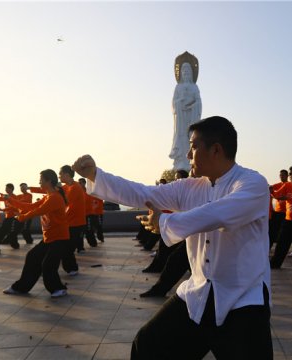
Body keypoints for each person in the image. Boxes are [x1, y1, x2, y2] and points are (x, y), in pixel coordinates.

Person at [73, 116, 272, 359]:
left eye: (194, 146)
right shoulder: (189, 187)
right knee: (148, 346)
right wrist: (96, 175)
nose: (188, 154)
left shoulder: (252, 184)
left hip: (243, 300)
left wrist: (165, 223)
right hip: (198, 294)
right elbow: (144, 193)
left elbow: (218, 214)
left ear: (216, 150)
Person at [3, 169, 70, 298]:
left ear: (48, 181)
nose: (39, 182)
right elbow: (31, 207)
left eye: (41, 180)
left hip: (60, 238)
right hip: (49, 238)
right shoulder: (48, 197)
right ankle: (21, 288)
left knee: (48, 265)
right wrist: (11, 201)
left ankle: (58, 288)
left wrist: (21, 218)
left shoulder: (55, 198)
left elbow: (37, 211)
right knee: (32, 257)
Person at [169, 52, 202, 171]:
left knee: (191, 137)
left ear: (192, 72)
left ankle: (191, 162)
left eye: (188, 70)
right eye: (184, 70)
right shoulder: (178, 87)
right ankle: (181, 162)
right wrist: (180, 103)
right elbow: (173, 103)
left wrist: (192, 105)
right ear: (181, 73)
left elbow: (199, 102)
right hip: (181, 117)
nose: (186, 72)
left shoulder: (195, 87)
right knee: (181, 137)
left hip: (191, 115)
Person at [0, 183, 21, 249]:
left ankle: (15, 245)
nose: (6, 189)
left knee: (12, 232)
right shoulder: (5, 197)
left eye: (7, 188)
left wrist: (3, 209)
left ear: (11, 189)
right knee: (3, 230)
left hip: (14, 217)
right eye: (5, 188)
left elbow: (14, 207)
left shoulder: (14, 197)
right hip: (8, 216)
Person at [268, 170, 288, 249]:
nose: (281, 177)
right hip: (277, 212)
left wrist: (275, 195)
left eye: (283, 175)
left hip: (286, 212)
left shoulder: (290, 185)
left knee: (286, 232)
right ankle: (268, 247)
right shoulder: (278, 185)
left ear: (287, 176)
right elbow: (270, 189)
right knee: (273, 231)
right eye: (280, 175)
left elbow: (278, 196)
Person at [78, 178, 99, 248]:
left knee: (89, 230)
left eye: (80, 183)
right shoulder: (79, 192)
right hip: (82, 215)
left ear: (84, 183)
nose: (79, 184)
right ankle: (80, 246)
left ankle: (93, 243)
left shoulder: (88, 192)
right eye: (78, 183)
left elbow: (95, 202)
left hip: (89, 214)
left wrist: (93, 209)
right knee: (81, 231)